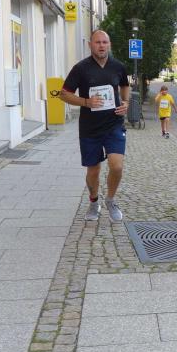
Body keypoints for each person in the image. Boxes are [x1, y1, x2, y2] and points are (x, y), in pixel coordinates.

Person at [60, 30, 129, 223]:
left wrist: (125, 102)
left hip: (114, 125)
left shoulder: (118, 66)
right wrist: (86, 102)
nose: (101, 46)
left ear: (109, 44)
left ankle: (110, 200)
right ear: (90, 45)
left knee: (117, 166)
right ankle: (93, 201)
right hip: (90, 128)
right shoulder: (80, 68)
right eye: (97, 42)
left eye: (105, 42)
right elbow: (64, 94)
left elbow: (124, 85)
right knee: (93, 170)